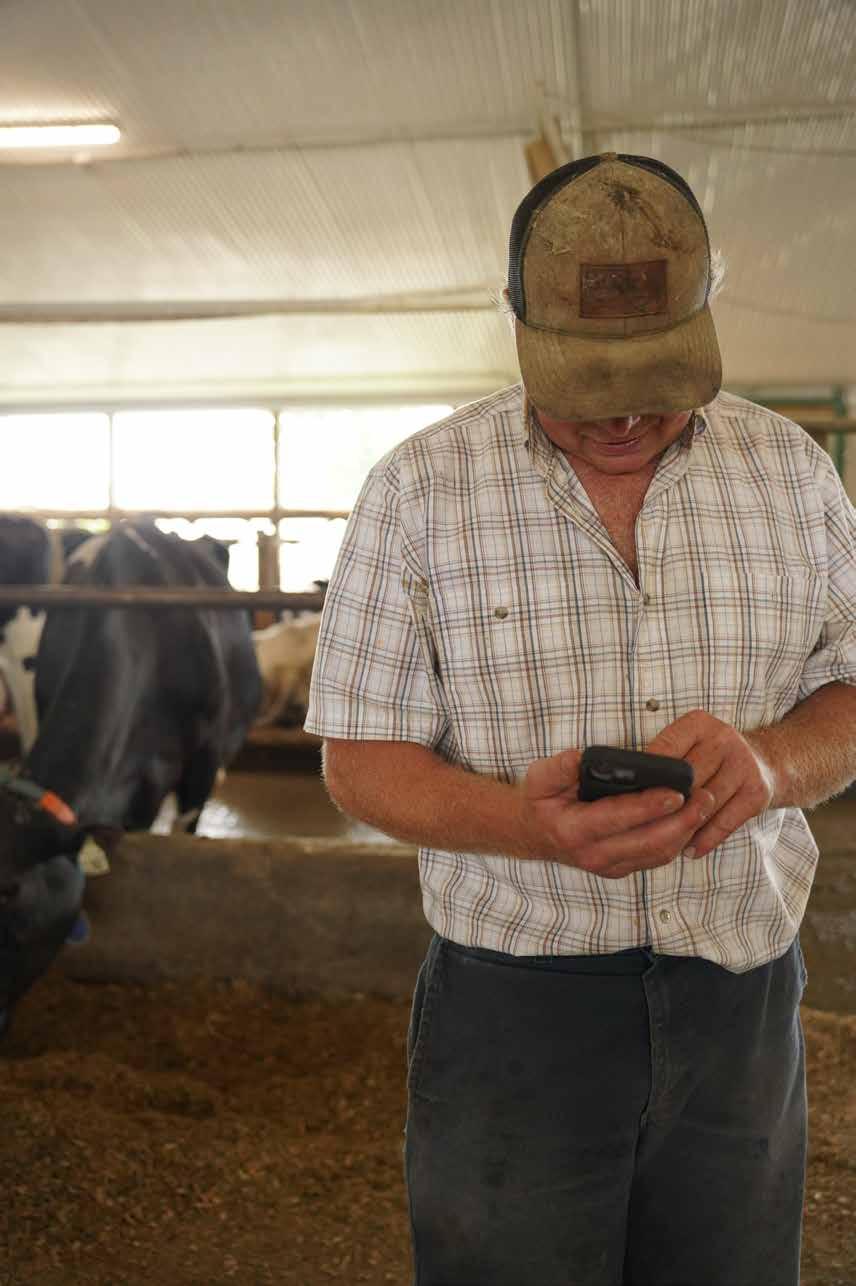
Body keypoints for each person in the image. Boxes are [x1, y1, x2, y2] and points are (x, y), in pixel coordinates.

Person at [304, 153, 856, 1286]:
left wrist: (771, 762)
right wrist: (525, 824)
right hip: (516, 1008)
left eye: (658, 377)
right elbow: (360, 761)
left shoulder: (791, 475)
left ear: (705, 315)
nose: (625, 415)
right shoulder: (419, 491)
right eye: (586, 383)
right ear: (516, 326)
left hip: (739, 995)